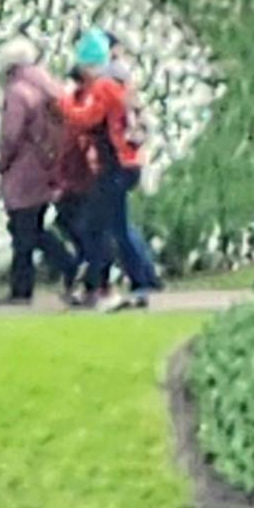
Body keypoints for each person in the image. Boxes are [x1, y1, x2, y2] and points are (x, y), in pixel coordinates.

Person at [58, 28, 160, 307]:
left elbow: (87, 118)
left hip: (115, 163)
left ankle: (114, 283)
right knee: (114, 224)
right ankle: (134, 279)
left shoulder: (104, 87)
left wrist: (64, 103)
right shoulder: (121, 84)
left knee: (97, 225)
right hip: (124, 161)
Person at [0, 36, 81, 306]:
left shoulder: (17, 91)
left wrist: (2, 161)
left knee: (22, 230)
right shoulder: (48, 86)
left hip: (24, 169)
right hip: (47, 165)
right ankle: (67, 266)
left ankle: (24, 288)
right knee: (32, 228)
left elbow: (11, 135)